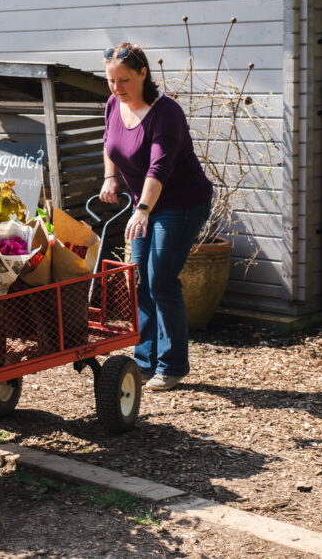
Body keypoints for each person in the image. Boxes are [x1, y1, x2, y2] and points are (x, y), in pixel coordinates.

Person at [99, 43, 213, 391]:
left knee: (160, 280)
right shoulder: (113, 104)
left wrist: (143, 209)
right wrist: (110, 177)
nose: (117, 88)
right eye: (111, 80)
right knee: (140, 283)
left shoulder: (167, 113)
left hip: (180, 203)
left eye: (125, 80)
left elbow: (159, 166)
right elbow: (109, 142)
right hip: (143, 204)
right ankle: (144, 363)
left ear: (143, 74)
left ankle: (173, 365)